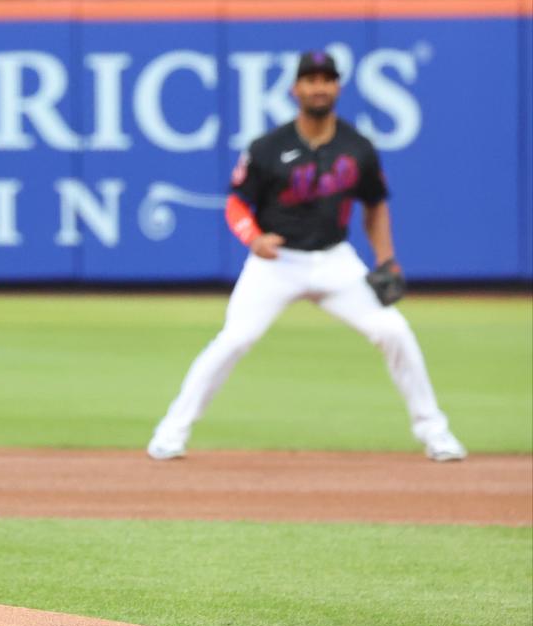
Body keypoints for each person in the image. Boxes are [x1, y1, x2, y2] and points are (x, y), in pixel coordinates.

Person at [146, 51, 466, 464]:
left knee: (394, 332)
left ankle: (436, 433)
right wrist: (253, 239)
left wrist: (387, 259)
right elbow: (236, 204)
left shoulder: (357, 147)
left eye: (326, 79)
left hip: (335, 261)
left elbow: (375, 205)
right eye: (311, 80)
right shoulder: (268, 147)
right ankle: (171, 433)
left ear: (338, 87)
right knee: (234, 339)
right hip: (276, 264)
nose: (319, 87)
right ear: (294, 89)